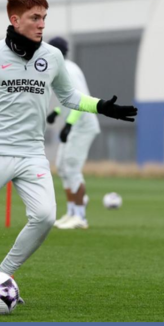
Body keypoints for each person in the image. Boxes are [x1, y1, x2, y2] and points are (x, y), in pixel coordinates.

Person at [0, 0, 137, 303]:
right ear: (15, 19)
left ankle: (2, 276)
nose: (41, 24)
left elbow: (70, 97)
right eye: (35, 18)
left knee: (46, 217)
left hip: (32, 155)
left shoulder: (52, 57)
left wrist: (103, 106)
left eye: (44, 18)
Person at [45, 37, 100, 230]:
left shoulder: (68, 70)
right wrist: (56, 113)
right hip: (74, 124)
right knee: (61, 166)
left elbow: (81, 100)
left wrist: (68, 124)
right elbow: (67, 99)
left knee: (71, 167)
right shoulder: (64, 68)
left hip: (83, 124)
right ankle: (71, 213)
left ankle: (80, 217)